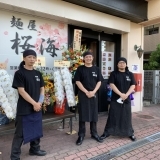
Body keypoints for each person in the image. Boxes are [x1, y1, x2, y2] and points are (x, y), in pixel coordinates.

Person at [10, 49, 47, 160]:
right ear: (24, 58)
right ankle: (15, 156)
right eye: (29, 57)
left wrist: (40, 102)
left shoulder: (37, 73)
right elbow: (21, 91)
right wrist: (34, 103)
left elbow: (42, 89)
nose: (32, 59)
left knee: (36, 129)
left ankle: (34, 149)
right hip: (24, 108)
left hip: (37, 107)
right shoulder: (19, 73)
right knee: (20, 133)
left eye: (34, 57)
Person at [100, 57, 136, 141]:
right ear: (117, 64)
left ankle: (129, 132)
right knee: (113, 115)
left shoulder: (130, 74)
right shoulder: (114, 73)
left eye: (123, 62)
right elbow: (112, 84)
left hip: (126, 99)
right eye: (120, 63)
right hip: (115, 99)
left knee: (126, 116)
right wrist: (120, 94)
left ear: (126, 64)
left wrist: (126, 94)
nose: (122, 64)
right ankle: (107, 132)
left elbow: (133, 85)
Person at [74, 51, 103, 145]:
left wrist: (93, 92)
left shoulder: (97, 69)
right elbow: (77, 81)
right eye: (86, 57)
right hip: (83, 95)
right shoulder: (80, 69)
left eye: (90, 57)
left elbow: (99, 81)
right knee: (82, 115)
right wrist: (86, 92)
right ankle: (81, 135)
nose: (88, 58)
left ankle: (94, 133)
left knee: (94, 115)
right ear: (84, 58)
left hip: (94, 95)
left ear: (92, 58)